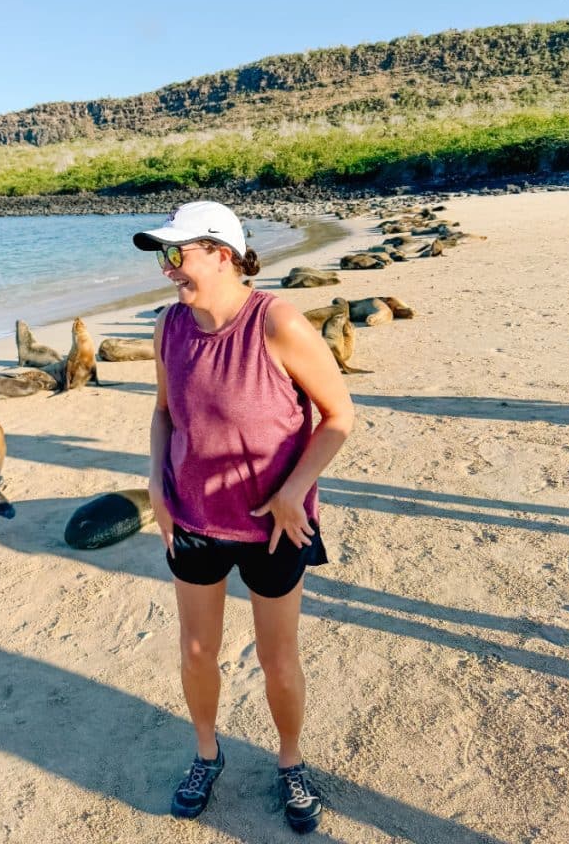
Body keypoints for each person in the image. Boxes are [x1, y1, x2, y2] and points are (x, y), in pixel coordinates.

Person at [133, 201, 354, 835]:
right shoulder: (169, 326)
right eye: (163, 255)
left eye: (177, 254)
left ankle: (290, 761)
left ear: (222, 255)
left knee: (277, 657)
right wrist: (157, 482)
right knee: (196, 650)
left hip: (273, 527)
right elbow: (164, 412)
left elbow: (339, 415)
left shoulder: (277, 323)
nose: (168, 268)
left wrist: (294, 491)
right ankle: (207, 754)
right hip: (193, 519)